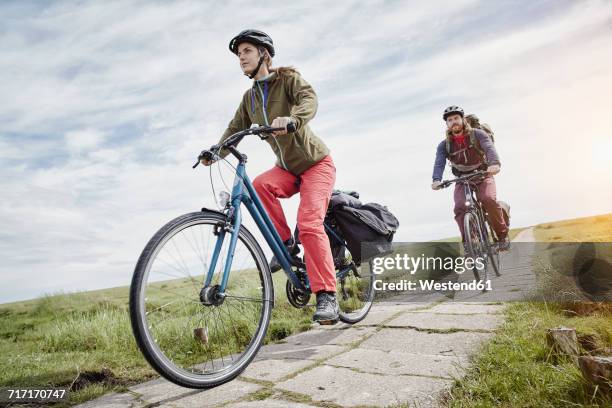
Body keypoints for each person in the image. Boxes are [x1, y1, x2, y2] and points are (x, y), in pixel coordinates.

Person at [201, 29, 339, 324]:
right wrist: (216, 152)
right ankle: (286, 246)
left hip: (316, 164)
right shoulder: (250, 98)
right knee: (261, 187)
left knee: (310, 222)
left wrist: (293, 119)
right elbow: (233, 129)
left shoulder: (287, 80)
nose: (241, 58)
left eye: (247, 51)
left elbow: (308, 99)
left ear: (264, 53)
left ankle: (326, 294)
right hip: (287, 169)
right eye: (239, 55)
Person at [431, 106, 510, 250]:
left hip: (482, 174)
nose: (453, 122)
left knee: (487, 199)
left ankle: (502, 237)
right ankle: (470, 243)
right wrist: (436, 179)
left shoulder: (478, 134)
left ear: (462, 119)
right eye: (450, 120)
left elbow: (489, 149)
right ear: (447, 124)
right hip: (462, 179)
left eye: (456, 118)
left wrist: (494, 164)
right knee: (460, 207)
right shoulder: (444, 145)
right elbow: (439, 163)